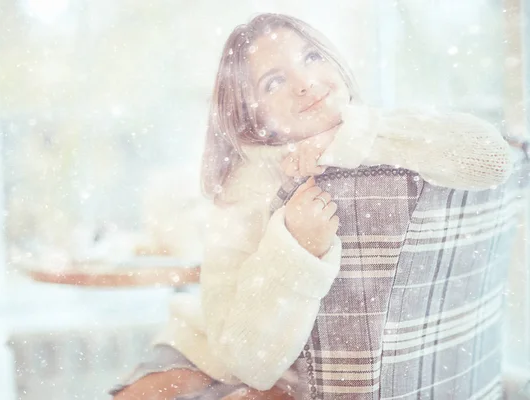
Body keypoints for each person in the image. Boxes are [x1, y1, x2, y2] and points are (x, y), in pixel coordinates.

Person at [112, 13, 521, 399]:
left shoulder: (385, 130)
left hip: (284, 374)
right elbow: (246, 361)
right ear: (253, 120)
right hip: (206, 343)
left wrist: (345, 140)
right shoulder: (246, 187)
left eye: (310, 57)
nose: (304, 83)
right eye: (273, 82)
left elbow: (493, 158)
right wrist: (294, 245)